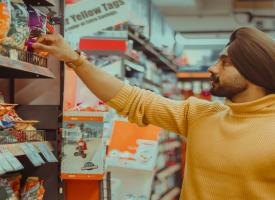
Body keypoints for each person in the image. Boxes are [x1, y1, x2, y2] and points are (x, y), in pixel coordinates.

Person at [32, 27, 275, 199]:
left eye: (226, 62)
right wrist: (75, 60)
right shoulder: (201, 114)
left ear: (253, 71)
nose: (213, 68)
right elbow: (133, 99)